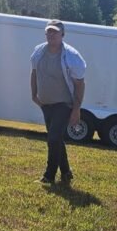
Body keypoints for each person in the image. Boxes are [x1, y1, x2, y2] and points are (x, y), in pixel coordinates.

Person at [29, 19, 86, 184]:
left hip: (64, 103)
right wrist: (34, 94)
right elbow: (34, 72)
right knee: (57, 139)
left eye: (55, 31)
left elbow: (79, 83)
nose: (51, 34)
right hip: (45, 103)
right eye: (49, 31)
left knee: (53, 139)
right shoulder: (39, 52)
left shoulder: (71, 56)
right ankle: (66, 172)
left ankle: (49, 176)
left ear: (63, 34)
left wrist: (76, 109)